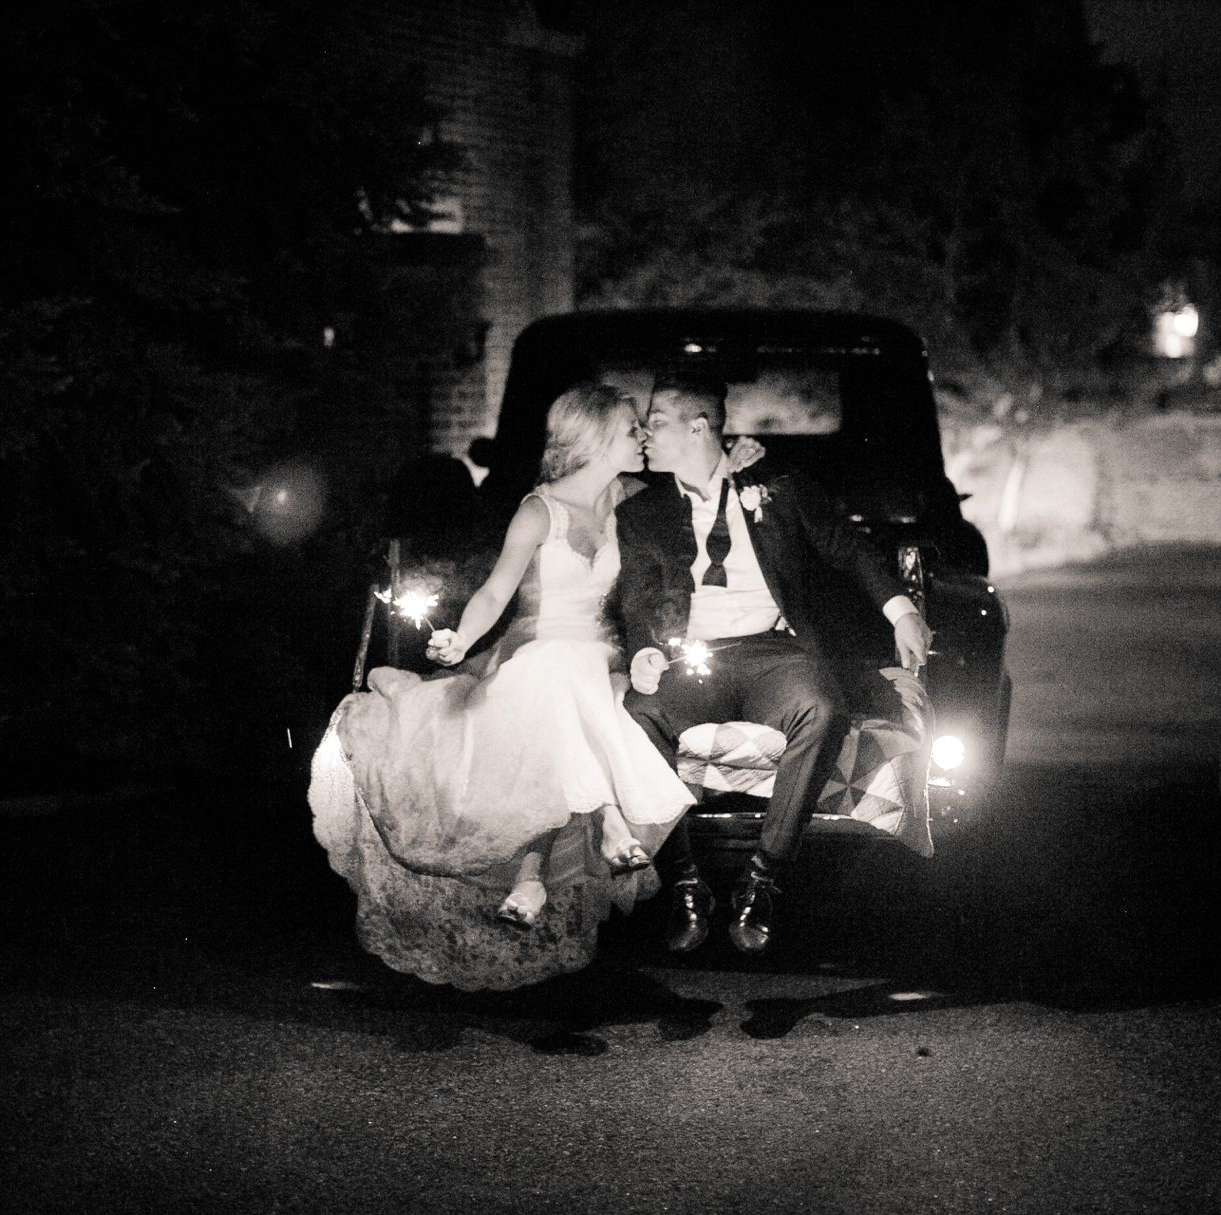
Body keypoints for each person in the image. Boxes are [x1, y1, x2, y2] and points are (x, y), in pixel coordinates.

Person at [309, 382, 762, 991]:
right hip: (535, 653)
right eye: (634, 429)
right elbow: (496, 590)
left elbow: (705, 485)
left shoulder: (634, 499)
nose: (645, 438)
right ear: (599, 436)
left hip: (602, 660)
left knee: (571, 702)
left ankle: (532, 874)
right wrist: (462, 641)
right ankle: (605, 821)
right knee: (559, 672)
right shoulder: (539, 509)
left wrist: (743, 457)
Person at [615, 366, 933, 956]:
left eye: (656, 424)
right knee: (638, 714)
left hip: (774, 651)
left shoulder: (776, 486)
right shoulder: (641, 514)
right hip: (692, 658)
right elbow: (639, 597)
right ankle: (686, 883)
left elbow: (845, 547)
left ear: (699, 427)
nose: (645, 436)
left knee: (822, 706)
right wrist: (645, 654)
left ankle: (763, 876)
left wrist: (901, 612)